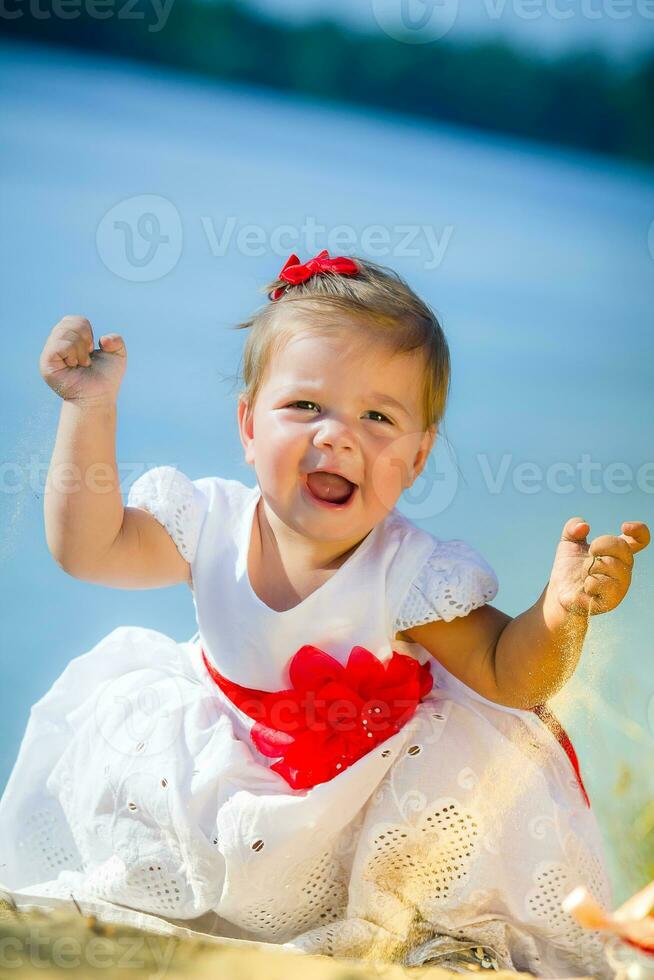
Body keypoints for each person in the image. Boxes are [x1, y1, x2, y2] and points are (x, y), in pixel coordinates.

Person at [0, 251, 649, 977]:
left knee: (410, 918)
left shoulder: (408, 574)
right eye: (305, 406)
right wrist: (88, 409)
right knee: (152, 891)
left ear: (416, 459)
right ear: (248, 426)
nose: (337, 434)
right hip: (225, 771)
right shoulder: (208, 521)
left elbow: (508, 673)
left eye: (378, 417)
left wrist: (559, 611)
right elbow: (89, 549)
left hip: (365, 797)